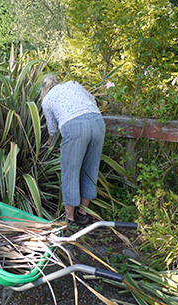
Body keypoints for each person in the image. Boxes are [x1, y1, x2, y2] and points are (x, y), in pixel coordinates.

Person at [41, 74, 106, 228]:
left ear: (44, 89)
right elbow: (92, 100)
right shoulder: (74, 84)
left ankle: (70, 218)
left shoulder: (47, 100)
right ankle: (84, 214)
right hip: (97, 121)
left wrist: (49, 147)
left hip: (74, 127)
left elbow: (52, 130)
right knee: (91, 168)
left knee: (70, 171)